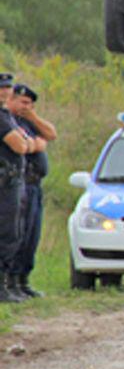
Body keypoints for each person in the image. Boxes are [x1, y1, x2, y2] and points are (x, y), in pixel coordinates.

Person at [8, 84, 54, 299]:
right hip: (19, 184)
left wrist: (34, 117)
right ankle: (10, 280)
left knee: (31, 235)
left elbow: (50, 134)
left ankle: (23, 280)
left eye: (31, 104)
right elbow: (24, 146)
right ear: (11, 99)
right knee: (18, 233)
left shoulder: (27, 121)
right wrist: (35, 144)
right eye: (24, 103)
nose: (27, 107)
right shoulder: (8, 120)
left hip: (34, 185)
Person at [0, 74, 38, 304]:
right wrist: (26, 142)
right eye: (1, 89)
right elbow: (20, 145)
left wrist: (26, 142)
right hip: (5, 182)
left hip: (13, 182)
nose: (4, 92)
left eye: (7, 88)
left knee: (15, 233)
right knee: (6, 233)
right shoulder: (2, 119)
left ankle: (8, 284)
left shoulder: (7, 116)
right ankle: (3, 286)